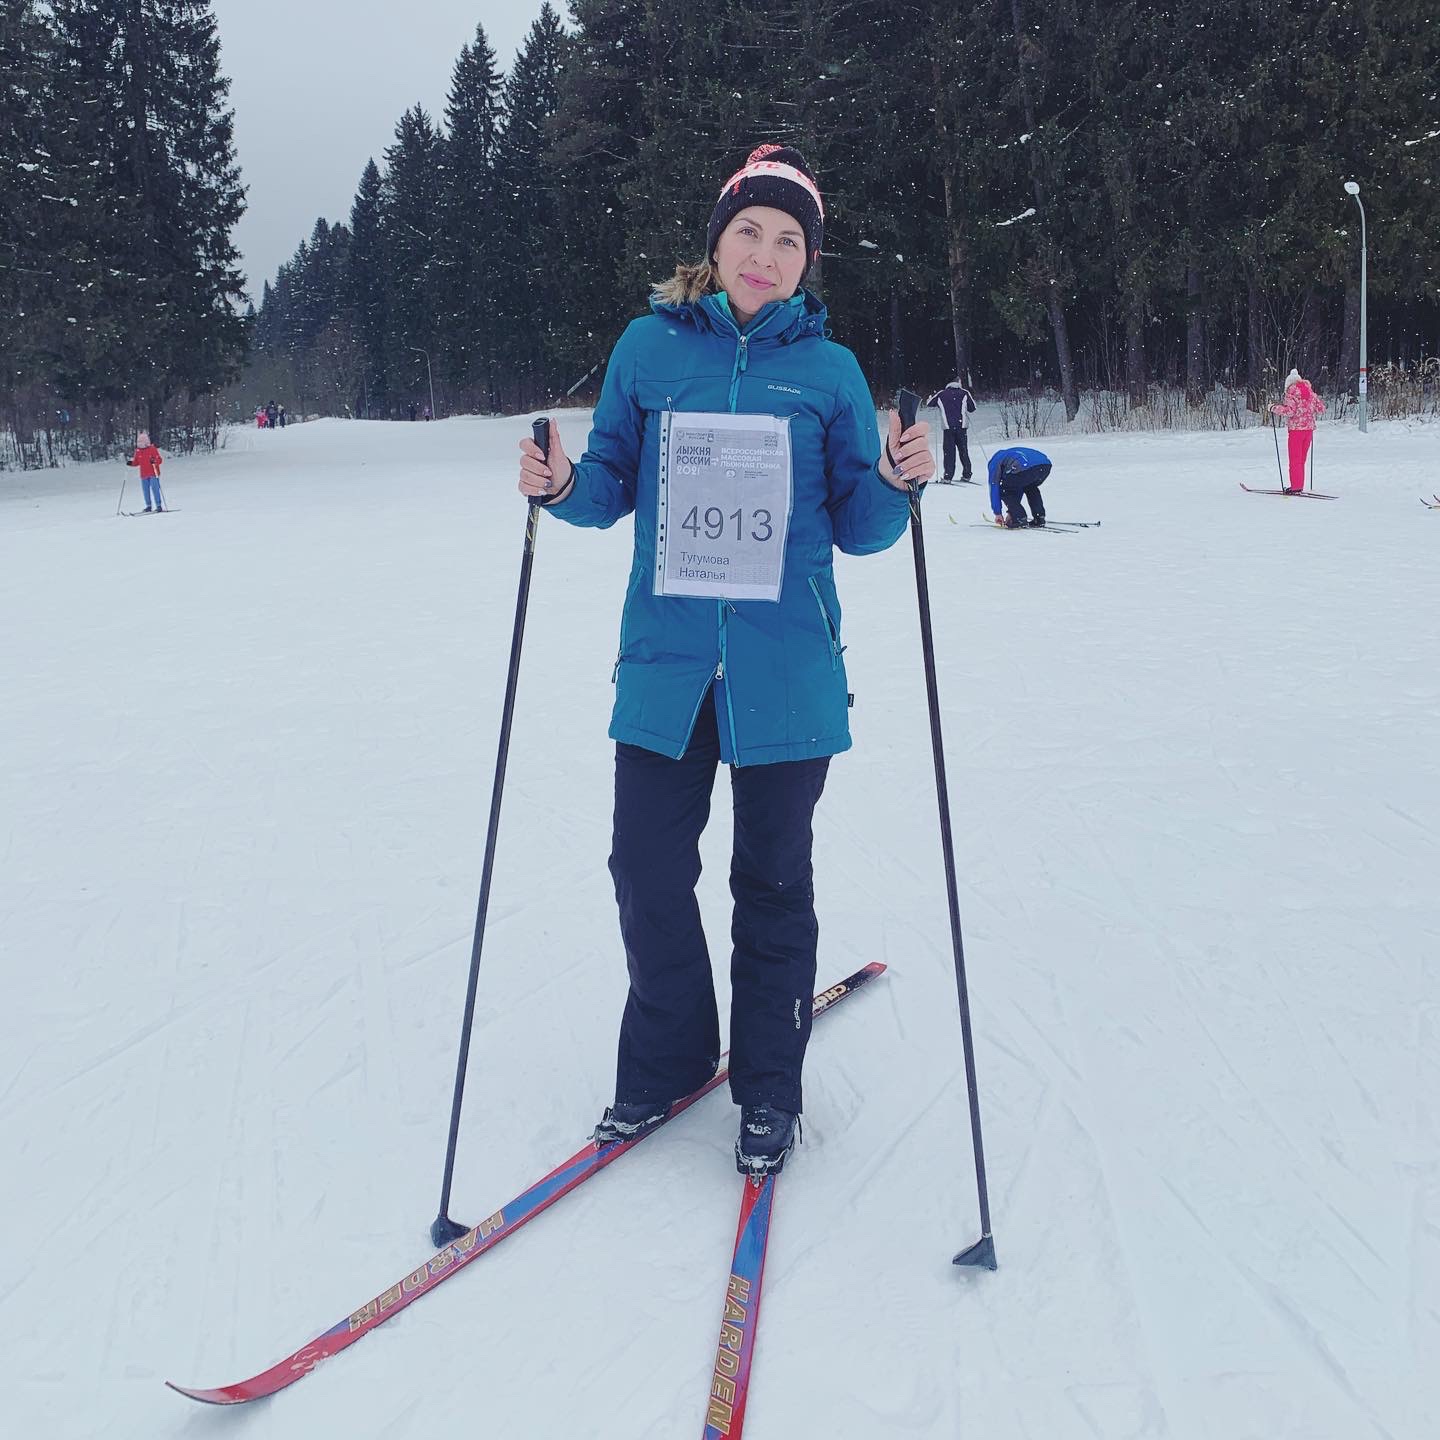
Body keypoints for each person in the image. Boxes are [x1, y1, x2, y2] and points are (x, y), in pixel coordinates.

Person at [516, 143, 933, 1176]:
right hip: (667, 666)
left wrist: (894, 480)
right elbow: (610, 482)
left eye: (789, 241)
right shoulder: (648, 348)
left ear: (807, 262)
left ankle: (769, 1090)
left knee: (772, 882)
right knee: (645, 870)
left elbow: (860, 525)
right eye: (750, 231)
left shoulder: (829, 372)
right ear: (716, 241)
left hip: (785, 670)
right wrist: (561, 483)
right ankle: (668, 1059)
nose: (765, 255)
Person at [1270, 368, 1325, 493]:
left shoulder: (1291, 393)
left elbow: (1289, 411)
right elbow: (1321, 408)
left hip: (1296, 430)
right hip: (1309, 430)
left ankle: (1296, 486)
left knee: (1295, 459)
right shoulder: (1311, 393)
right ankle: (1299, 485)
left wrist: (1274, 408)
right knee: (1301, 460)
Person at [925, 376, 977, 482]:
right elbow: (972, 408)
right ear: (957, 382)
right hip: (962, 427)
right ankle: (967, 474)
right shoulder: (964, 393)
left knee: (949, 452)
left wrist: (930, 397)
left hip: (948, 427)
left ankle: (948, 476)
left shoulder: (941, 394)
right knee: (964, 451)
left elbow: (929, 403)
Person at [987, 445, 1051, 527]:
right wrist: (1011, 512)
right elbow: (1018, 486)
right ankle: (1039, 517)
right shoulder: (1008, 454)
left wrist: (997, 513)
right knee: (1030, 487)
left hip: (1025, 466)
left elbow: (994, 486)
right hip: (1045, 465)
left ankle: (1019, 518)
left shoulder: (994, 463)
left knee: (1004, 491)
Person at [126, 430, 165, 512]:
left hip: (153, 473)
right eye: (138, 442)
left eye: (141, 442)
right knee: (145, 491)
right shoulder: (138, 451)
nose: (140, 444)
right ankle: (148, 506)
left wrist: (154, 461)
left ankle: (158, 505)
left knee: (155, 489)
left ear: (146, 442)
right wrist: (131, 463)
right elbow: (136, 462)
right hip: (144, 474)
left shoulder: (152, 449)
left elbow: (159, 460)